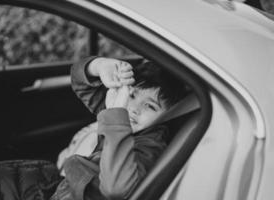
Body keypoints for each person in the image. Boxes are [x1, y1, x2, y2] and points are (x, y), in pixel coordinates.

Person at [51, 56, 189, 200]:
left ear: (168, 115)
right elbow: (80, 82)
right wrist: (100, 65)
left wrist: (116, 114)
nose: (134, 109)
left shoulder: (150, 145)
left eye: (150, 106)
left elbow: (116, 189)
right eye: (133, 95)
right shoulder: (119, 108)